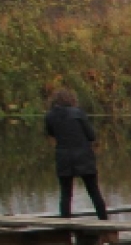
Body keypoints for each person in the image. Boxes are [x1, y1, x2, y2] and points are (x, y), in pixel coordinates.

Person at [45, 88, 107, 220]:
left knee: (66, 194)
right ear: (71, 99)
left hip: (63, 157)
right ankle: (105, 223)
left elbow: (51, 134)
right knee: (94, 191)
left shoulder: (50, 116)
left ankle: (65, 229)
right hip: (83, 156)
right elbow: (91, 135)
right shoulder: (78, 113)